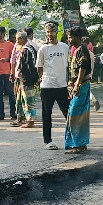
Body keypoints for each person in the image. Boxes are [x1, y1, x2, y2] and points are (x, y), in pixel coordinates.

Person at [36, 21, 69, 150]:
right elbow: (39, 67)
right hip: (47, 86)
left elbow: (67, 64)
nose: (50, 34)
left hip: (62, 85)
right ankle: (48, 141)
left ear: (56, 32)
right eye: (47, 32)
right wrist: (43, 78)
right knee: (46, 115)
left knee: (68, 113)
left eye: (52, 31)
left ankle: (72, 139)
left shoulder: (64, 47)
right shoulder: (43, 49)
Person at [65, 27, 92, 154]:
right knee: (78, 114)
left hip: (81, 86)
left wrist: (77, 84)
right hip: (80, 86)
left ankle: (78, 144)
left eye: (71, 37)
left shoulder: (82, 50)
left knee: (76, 116)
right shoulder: (76, 50)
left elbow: (83, 67)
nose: (69, 39)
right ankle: (79, 143)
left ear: (77, 37)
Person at [13, 31, 40, 127]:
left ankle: (30, 120)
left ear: (21, 39)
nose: (16, 42)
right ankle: (21, 118)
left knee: (28, 100)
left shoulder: (26, 50)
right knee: (20, 100)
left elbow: (30, 67)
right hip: (22, 79)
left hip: (26, 80)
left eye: (17, 40)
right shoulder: (29, 48)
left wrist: (34, 79)